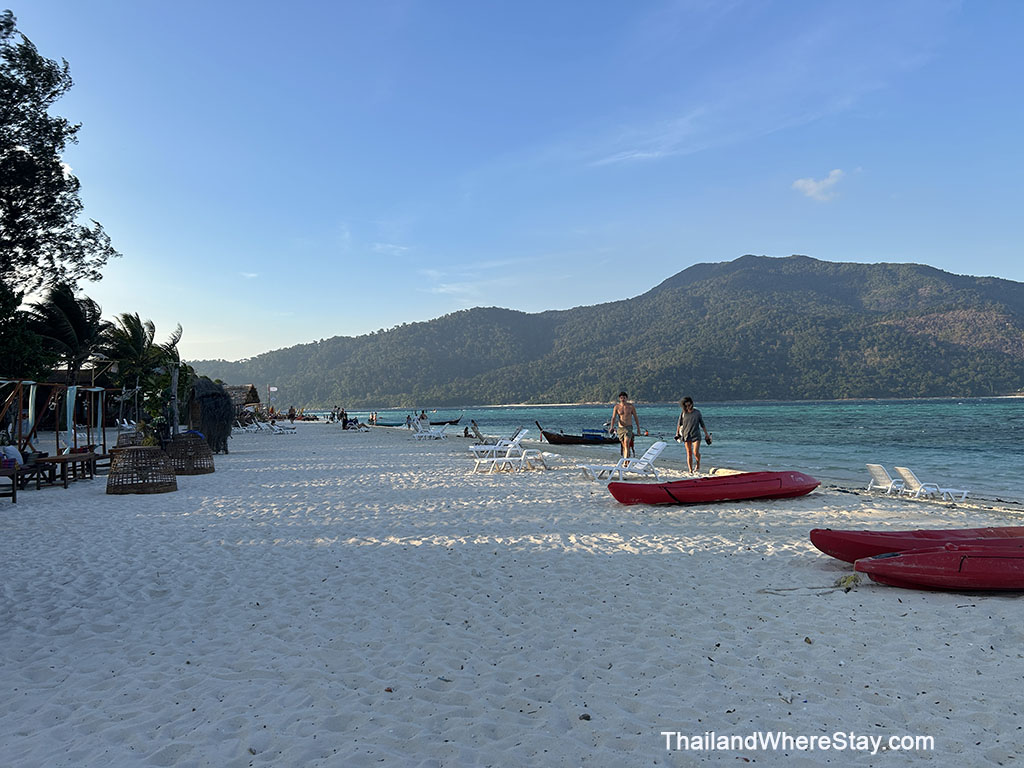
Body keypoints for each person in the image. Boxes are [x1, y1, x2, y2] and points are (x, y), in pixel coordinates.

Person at [675, 396, 711, 474]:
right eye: (686, 405)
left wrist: (706, 434)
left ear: (692, 404)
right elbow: (679, 424)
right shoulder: (683, 413)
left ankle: (698, 464)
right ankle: (690, 470)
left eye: (689, 405)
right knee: (689, 452)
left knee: (695, 452)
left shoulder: (697, 412)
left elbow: (702, 424)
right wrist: (677, 433)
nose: (688, 407)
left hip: (696, 435)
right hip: (686, 434)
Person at [609, 391, 640, 458]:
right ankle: (627, 459)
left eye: (624, 398)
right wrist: (611, 427)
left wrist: (638, 428)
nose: (623, 399)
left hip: (628, 428)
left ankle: (626, 461)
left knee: (626, 443)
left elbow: (635, 417)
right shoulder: (616, 407)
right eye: (621, 398)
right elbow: (613, 417)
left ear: (627, 398)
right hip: (620, 428)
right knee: (624, 445)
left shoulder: (631, 407)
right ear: (619, 398)